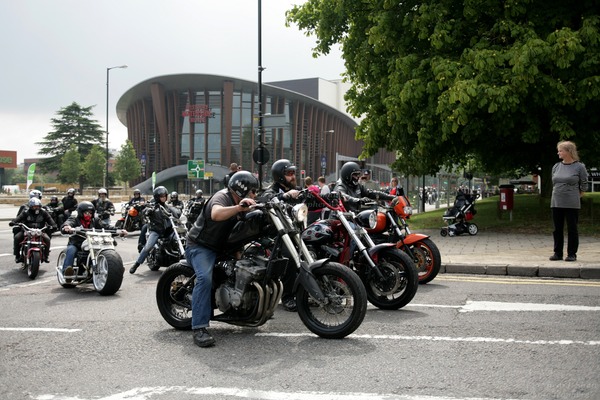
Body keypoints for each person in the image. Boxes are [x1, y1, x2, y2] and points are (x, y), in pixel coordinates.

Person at [186, 170, 258, 347]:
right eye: (252, 191)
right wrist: (239, 208)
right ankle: (199, 328)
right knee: (204, 278)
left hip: (224, 246)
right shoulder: (222, 197)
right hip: (201, 246)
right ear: (241, 190)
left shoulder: (244, 202)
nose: (254, 195)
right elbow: (216, 214)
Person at [262, 159, 302, 312]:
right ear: (280, 176)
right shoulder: (271, 191)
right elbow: (266, 199)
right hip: (277, 235)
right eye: (289, 174)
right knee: (290, 257)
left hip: (294, 232)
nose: (293, 177)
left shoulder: (297, 190)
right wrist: (285, 196)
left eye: (293, 173)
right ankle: (287, 296)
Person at [61, 201, 126, 280]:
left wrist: (119, 230)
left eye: (90, 213)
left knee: (105, 249)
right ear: (81, 213)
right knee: (71, 249)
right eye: (86, 213)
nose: (89, 215)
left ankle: (114, 267)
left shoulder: (95, 220)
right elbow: (68, 223)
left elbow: (106, 227)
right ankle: (66, 271)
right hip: (77, 243)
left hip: (93, 242)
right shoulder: (74, 219)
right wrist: (67, 227)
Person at [549, 140, 589, 262]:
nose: (558, 153)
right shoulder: (556, 166)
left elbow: (584, 184)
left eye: (560, 150)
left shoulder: (579, 167)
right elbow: (554, 181)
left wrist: (578, 195)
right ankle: (558, 253)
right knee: (557, 228)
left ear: (568, 151)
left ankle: (572, 254)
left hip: (571, 202)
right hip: (556, 201)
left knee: (572, 228)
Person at [129, 186, 181, 274]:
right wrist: (148, 211)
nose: (164, 198)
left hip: (168, 230)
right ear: (157, 197)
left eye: (165, 196)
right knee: (148, 247)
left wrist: (178, 211)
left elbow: (174, 211)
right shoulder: (153, 206)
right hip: (157, 230)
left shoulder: (167, 206)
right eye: (162, 196)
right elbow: (145, 210)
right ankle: (136, 264)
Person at [9, 198, 57, 263]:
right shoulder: (26, 212)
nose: (36, 208)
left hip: (40, 231)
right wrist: (13, 222)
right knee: (17, 237)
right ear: (31, 206)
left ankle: (46, 256)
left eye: (38, 206)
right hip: (27, 230)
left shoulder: (44, 212)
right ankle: (17, 255)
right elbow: (19, 218)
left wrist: (53, 225)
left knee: (47, 239)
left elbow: (49, 219)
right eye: (34, 206)